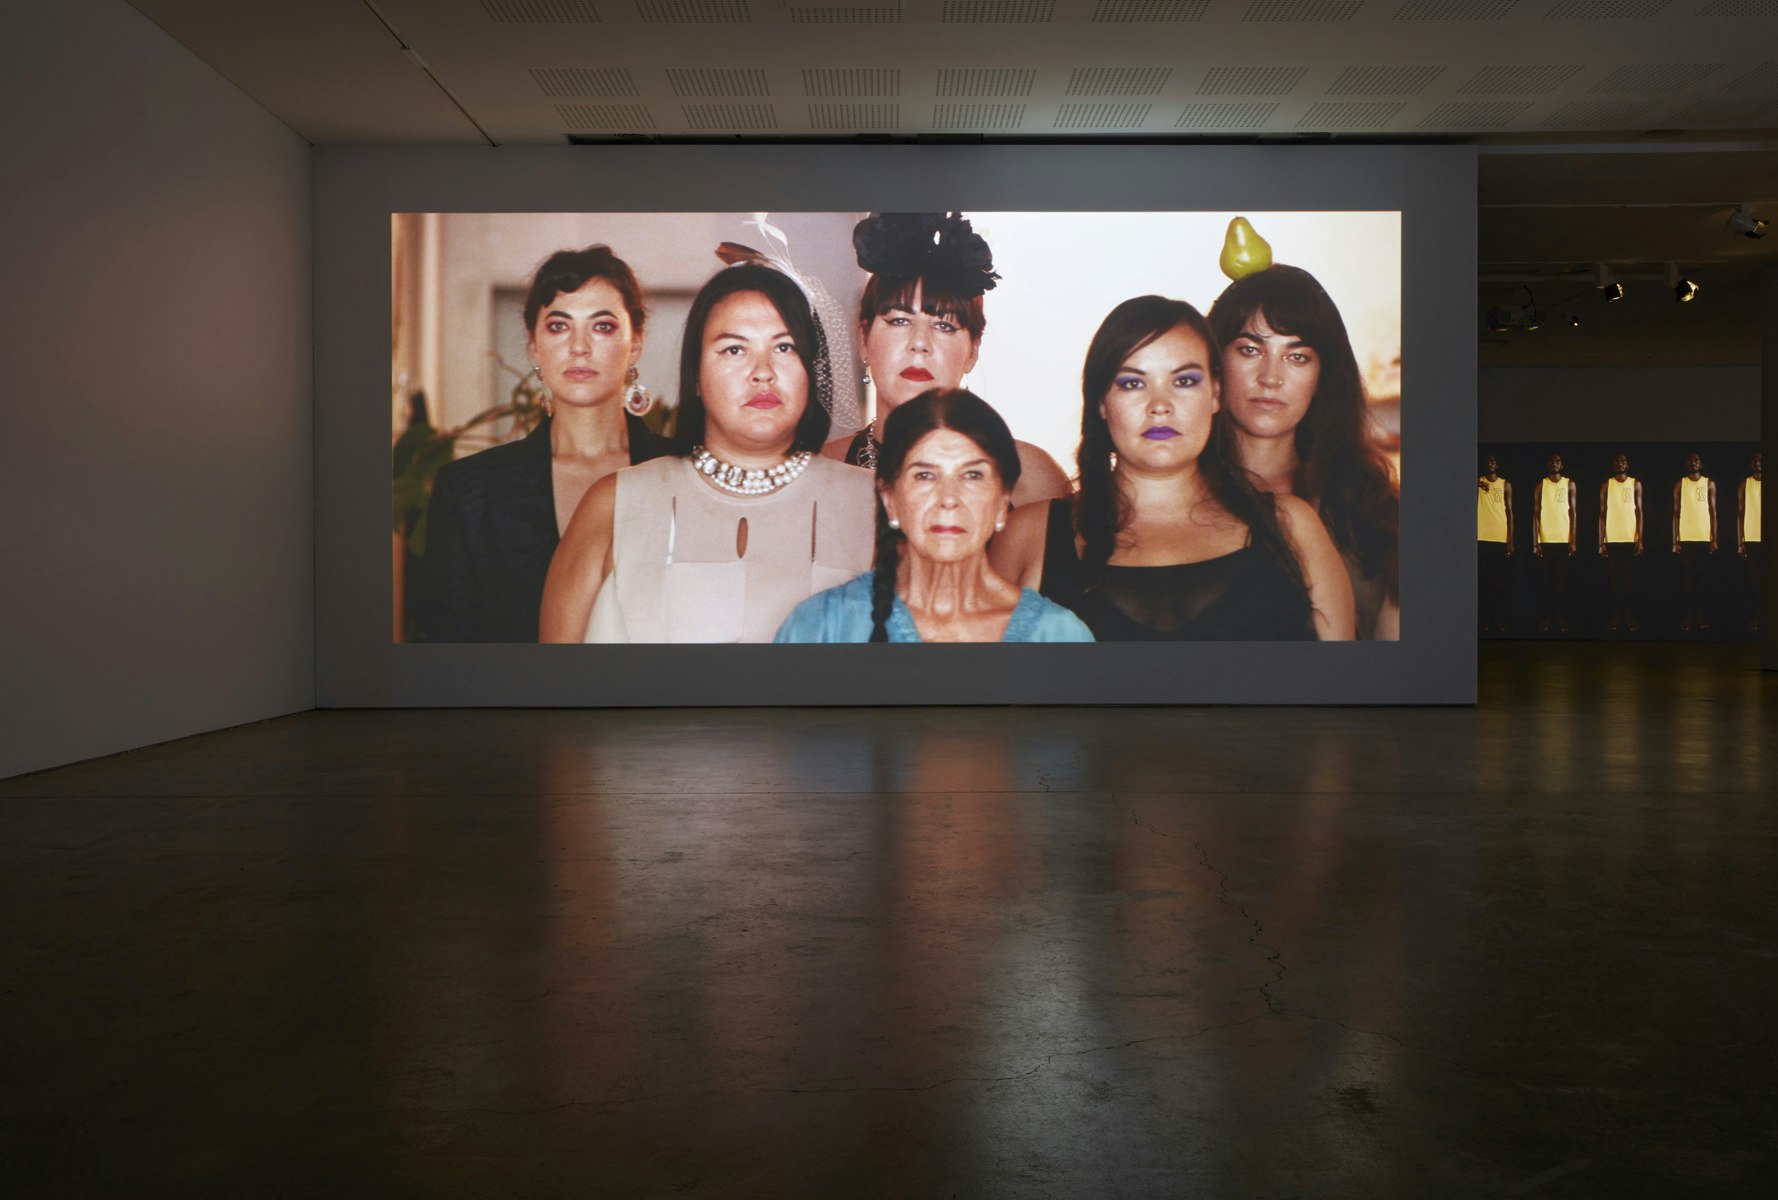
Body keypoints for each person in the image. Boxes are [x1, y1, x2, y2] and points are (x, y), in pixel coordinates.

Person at [540, 262, 875, 643]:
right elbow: (553, 686)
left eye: (784, 347)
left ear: (812, 370)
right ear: (696, 375)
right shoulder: (613, 503)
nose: (762, 372)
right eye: (734, 349)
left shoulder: (873, 503)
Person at [990, 295, 1354, 641]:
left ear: (1215, 393)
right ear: (1101, 402)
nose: (1160, 405)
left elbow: (1345, 693)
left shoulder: (1294, 526)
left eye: (1184, 381)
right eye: (1133, 383)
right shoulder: (1029, 535)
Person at [414, 246, 672, 642]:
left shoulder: (682, 473)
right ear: (534, 346)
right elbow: (446, 663)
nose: (579, 347)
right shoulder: (469, 492)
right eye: (558, 326)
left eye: (602, 326)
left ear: (635, 341)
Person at [776, 390, 1093, 643]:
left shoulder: (1058, 634)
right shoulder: (821, 626)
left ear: (1002, 502)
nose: (949, 499)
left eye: (972, 476)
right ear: (890, 500)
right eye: (925, 476)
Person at [823, 212, 1071, 507]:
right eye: (900, 321)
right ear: (864, 340)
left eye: (944, 326)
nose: (919, 344)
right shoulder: (825, 469)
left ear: (972, 351)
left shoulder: (1028, 479)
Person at [1207, 265, 1399, 639]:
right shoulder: (1172, 497)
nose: (1270, 377)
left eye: (1297, 357)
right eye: (1250, 350)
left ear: (1323, 377)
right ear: (1214, 363)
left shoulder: (1377, 514)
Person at [1597, 452, 1643, 632]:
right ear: (1612, 465)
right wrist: (1601, 542)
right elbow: (1601, 515)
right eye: (1616, 461)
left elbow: (1639, 512)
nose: (1619, 463)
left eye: (1623, 460)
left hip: (1630, 539)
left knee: (1630, 580)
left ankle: (1629, 615)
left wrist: (1640, 539)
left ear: (1628, 464)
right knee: (1614, 579)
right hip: (1612, 539)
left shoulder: (1635, 483)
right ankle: (1615, 615)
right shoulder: (1606, 485)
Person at [1532, 452, 1577, 633]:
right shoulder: (1540, 485)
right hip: (1545, 540)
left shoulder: (1569, 484)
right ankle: (1547, 615)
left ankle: (1559, 614)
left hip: (1563, 540)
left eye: (1557, 460)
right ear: (1547, 465)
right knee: (1545, 579)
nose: (1554, 463)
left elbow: (1574, 513)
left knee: (1561, 579)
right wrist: (1536, 542)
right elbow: (1535, 514)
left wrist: (1573, 540)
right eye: (1550, 460)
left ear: (1562, 464)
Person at [1672, 452, 1717, 632]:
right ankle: (1689, 616)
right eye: (1690, 460)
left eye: (1696, 460)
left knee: (1702, 577)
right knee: (1687, 576)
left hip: (1704, 538)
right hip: (1686, 538)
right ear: (1686, 464)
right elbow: (1675, 514)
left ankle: (1700, 615)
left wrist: (1715, 538)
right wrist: (1675, 540)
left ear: (1701, 463)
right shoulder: (1679, 484)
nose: (1693, 463)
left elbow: (1713, 512)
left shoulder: (1709, 483)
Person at [1477, 453, 1513, 634]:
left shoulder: (1505, 484)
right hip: (1481, 538)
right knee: (1484, 581)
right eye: (1486, 461)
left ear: (1497, 464)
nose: (1489, 463)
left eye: (1492, 460)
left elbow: (1510, 513)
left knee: (1499, 581)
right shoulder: (1478, 482)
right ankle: (1486, 617)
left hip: (1500, 538)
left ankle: (1499, 616)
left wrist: (1510, 540)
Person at [1739, 451, 1762, 632]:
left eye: (1760, 459)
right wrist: (1740, 542)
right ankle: (1756, 617)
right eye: (1754, 460)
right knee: (1754, 582)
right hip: (1753, 539)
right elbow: (1739, 515)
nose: (1757, 463)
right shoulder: (1745, 484)